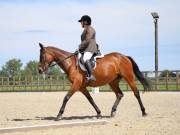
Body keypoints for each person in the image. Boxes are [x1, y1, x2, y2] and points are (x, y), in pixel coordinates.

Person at [78, 15, 98, 82]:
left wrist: (80, 47)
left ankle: (91, 75)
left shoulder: (90, 29)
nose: (80, 23)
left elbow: (87, 40)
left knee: (85, 58)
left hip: (90, 48)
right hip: (86, 48)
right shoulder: (85, 29)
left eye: (81, 21)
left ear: (85, 22)